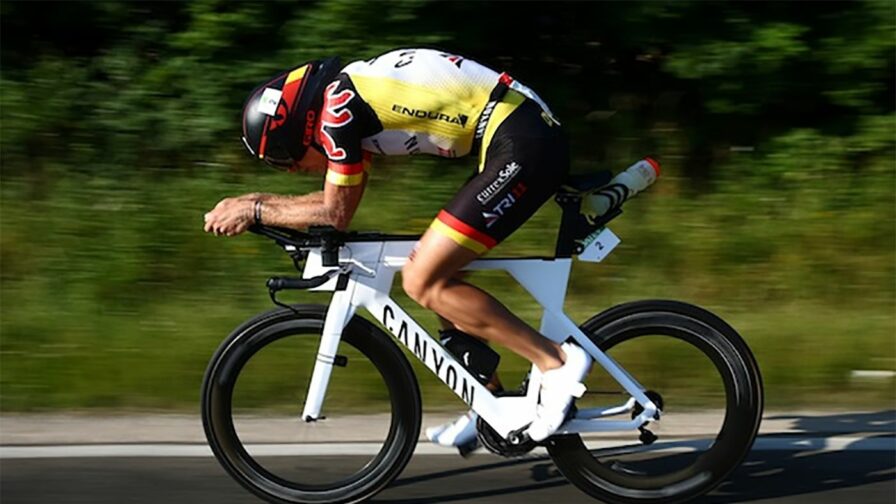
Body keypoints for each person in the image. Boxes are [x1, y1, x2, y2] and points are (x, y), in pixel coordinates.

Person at [203, 48, 592, 451]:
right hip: (517, 136)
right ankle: (493, 405)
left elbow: (335, 211)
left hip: (522, 141)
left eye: (283, 160)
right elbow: (333, 203)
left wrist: (255, 208)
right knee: (439, 273)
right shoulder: (347, 100)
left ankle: (556, 363)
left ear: (297, 129)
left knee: (423, 279)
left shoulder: (338, 111)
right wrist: (256, 203)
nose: (293, 170)